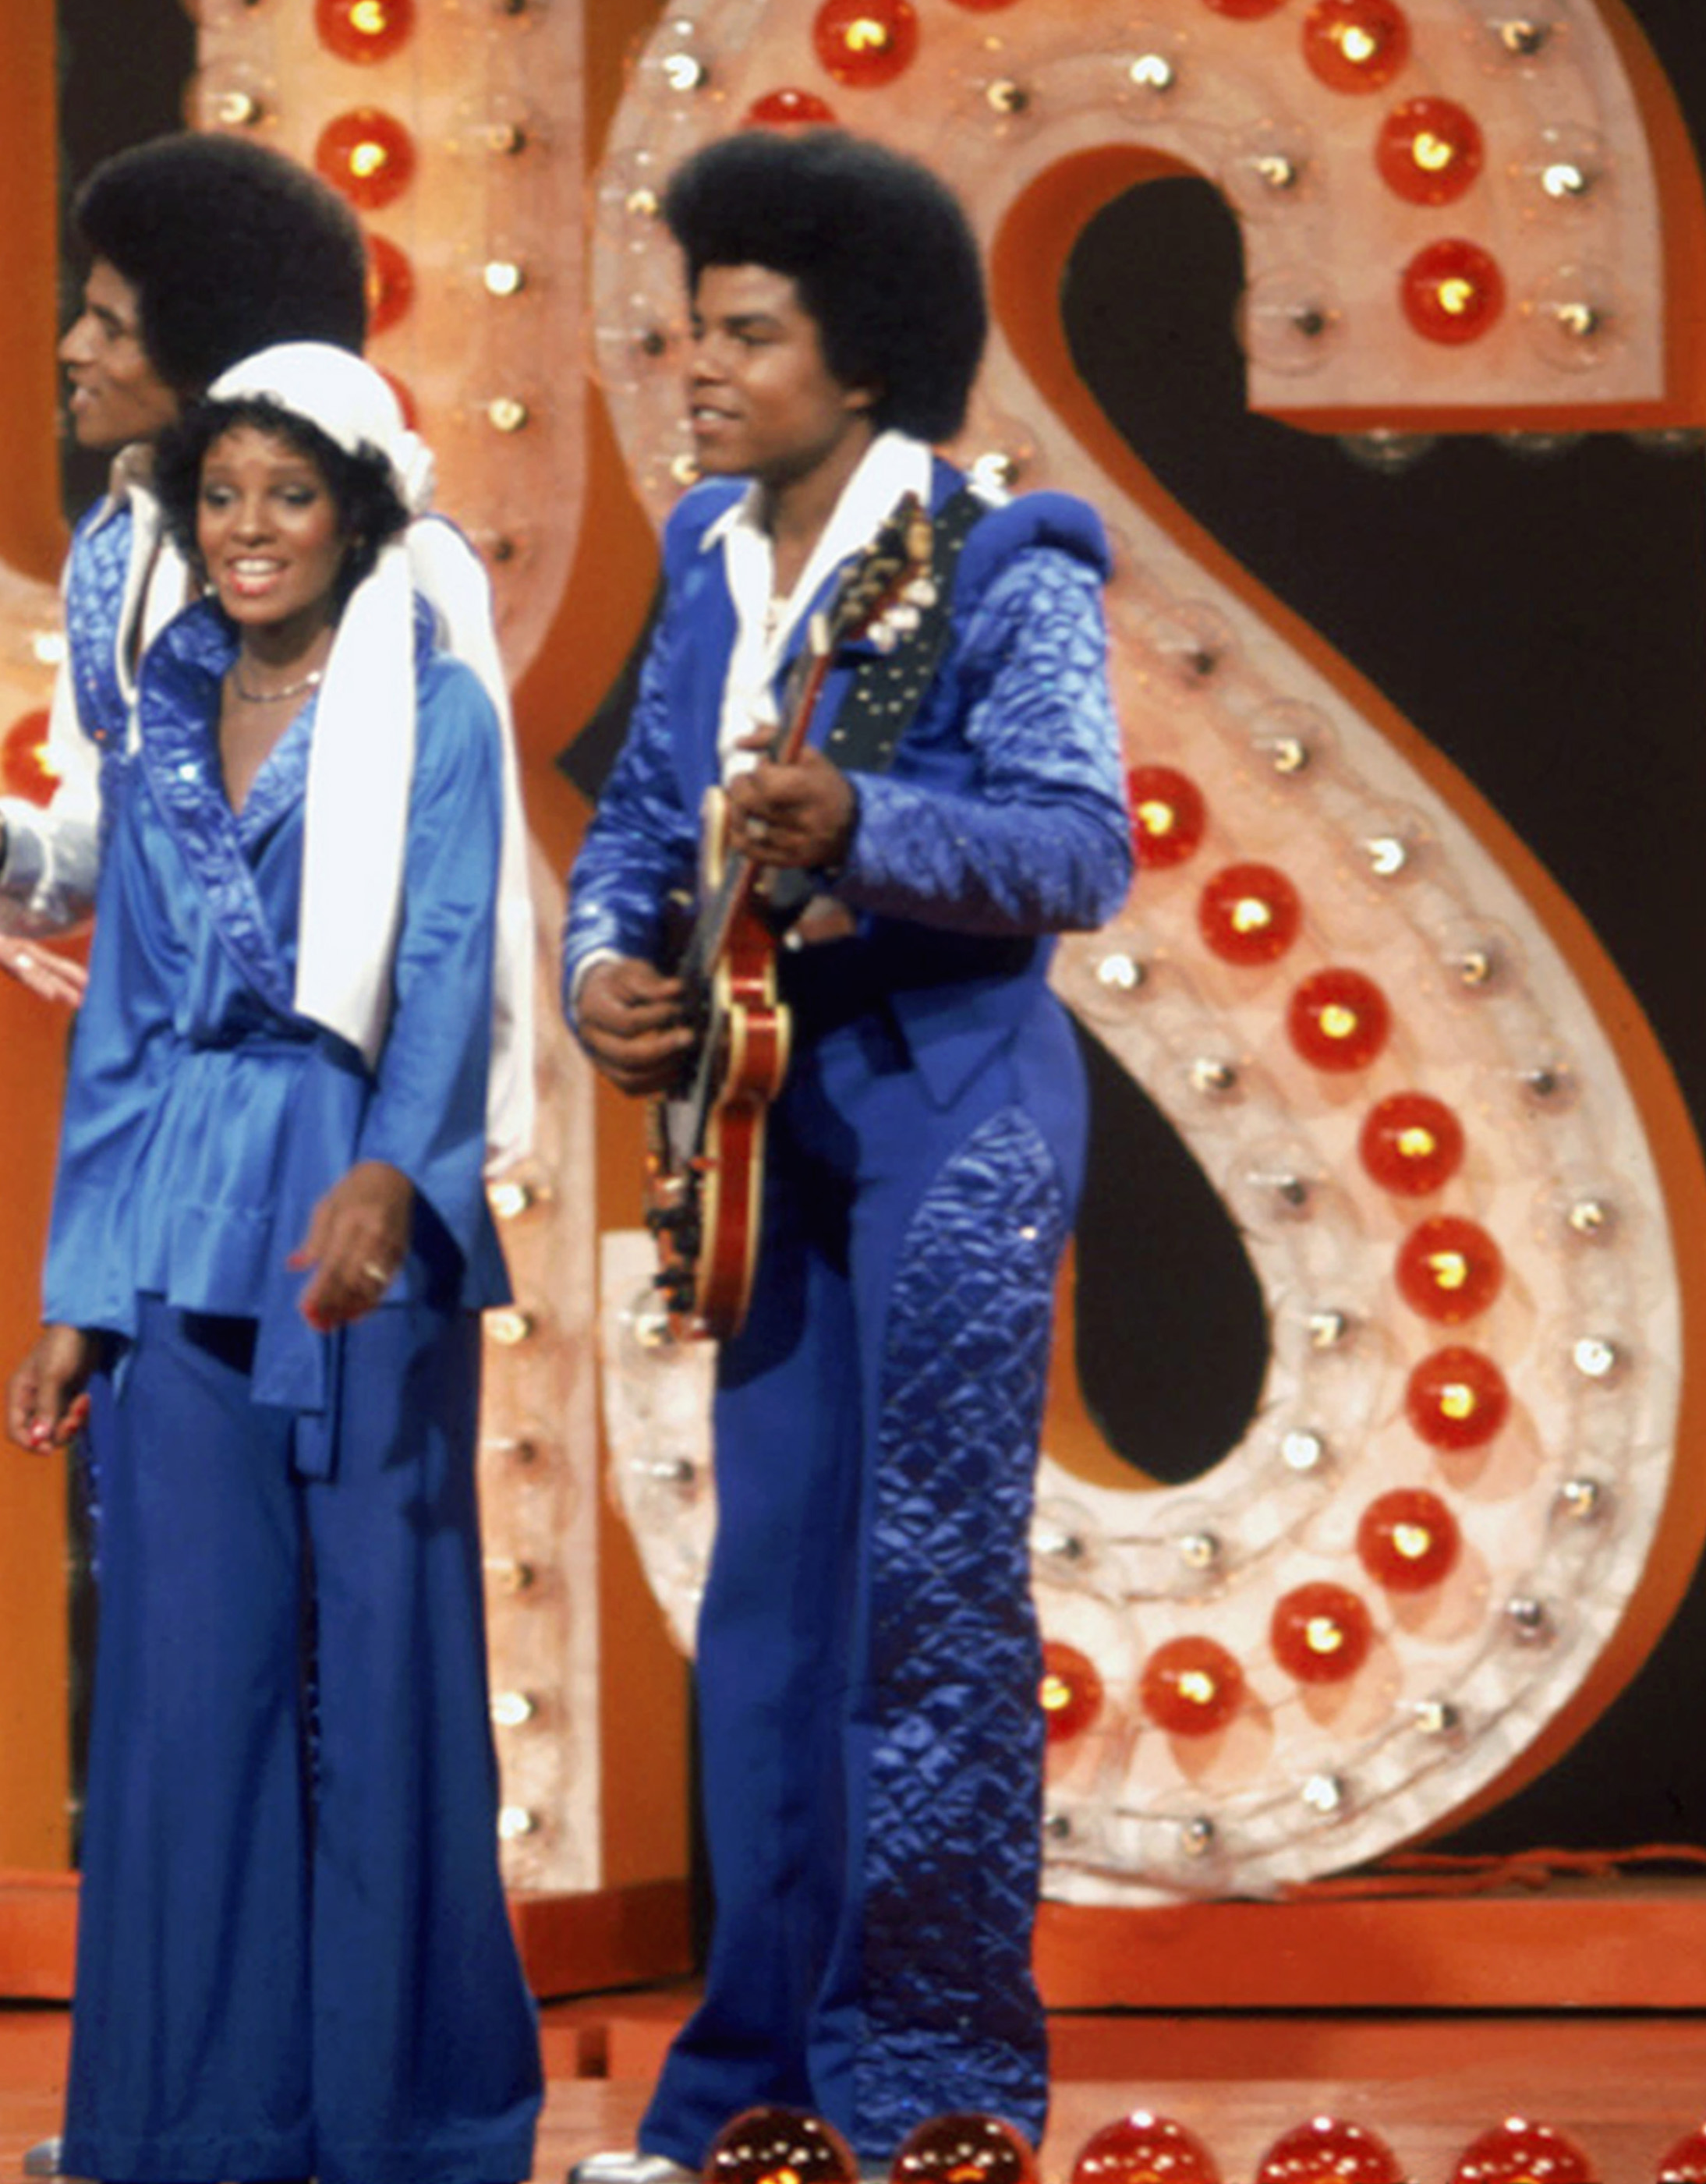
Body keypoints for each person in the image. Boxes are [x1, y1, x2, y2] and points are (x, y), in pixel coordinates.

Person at [558, 129, 1129, 2169]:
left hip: (952, 1113)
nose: (696, 364)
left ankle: (928, 2094)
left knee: (925, 1605)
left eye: (744, 333)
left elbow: (1080, 847)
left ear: (858, 360)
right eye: (691, 324)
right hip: (766, 1117)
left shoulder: (999, 557)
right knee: (768, 1619)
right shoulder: (709, 546)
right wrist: (597, 977)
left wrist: (859, 829)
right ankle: (748, 2091)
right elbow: (636, 823)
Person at [13, 344, 541, 2184]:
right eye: (220, 495)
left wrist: (399, 1170)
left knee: (383, 1666)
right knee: (188, 1678)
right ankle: (196, 2113)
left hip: (350, 1203)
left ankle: (408, 2112)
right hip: (174, 1211)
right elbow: (127, 1013)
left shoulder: (437, 707)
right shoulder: (155, 716)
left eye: (288, 495)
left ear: (359, 515)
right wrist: (79, 1290)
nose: (249, 530)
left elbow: (458, 956)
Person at [0, 132, 373, 1000]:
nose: (71, 348)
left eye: (110, 328)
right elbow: (107, 844)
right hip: (151, 1045)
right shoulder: (113, 546)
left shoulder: (370, 561)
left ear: (201, 347)